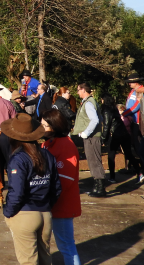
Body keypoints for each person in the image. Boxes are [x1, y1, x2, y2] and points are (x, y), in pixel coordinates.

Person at [0, 113, 61, 265]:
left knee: (29, 261)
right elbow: (56, 188)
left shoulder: (18, 159)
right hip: (45, 214)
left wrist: (8, 213)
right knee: (45, 258)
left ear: (13, 137)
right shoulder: (47, 155)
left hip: (25, 215)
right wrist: (46, 205)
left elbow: (17, 192)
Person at [40, 110, 81, 265]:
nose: (41, 128)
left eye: (44, 125)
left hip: (61, 205)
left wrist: (47, 198)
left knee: (66, 246)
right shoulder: (48, 143)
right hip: (52, 204)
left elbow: (65, 180)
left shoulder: (66, 146)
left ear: (54, 127)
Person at [71, 82, 105, 198]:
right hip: (91, 137)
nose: (77, 92)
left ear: (84, 90)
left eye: (78, 90)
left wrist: (86, 132)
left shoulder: (88, 103)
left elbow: (95, 120)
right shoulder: (90, 102)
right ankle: (97, 187)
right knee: (92, 161)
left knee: (94, 161)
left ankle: (101, 189)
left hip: (92, 137)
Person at [101, 95, 139, 182]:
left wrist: (103, 138)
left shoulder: (106, 110)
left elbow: (107, 125)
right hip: (123, 133)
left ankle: (112, 177)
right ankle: (140, 172)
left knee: (111, 155)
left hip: (114, 134)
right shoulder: (114, 109)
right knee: (128, 154)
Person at [125, 71, 144, 184]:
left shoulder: (140, 91)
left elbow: (137, 106)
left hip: (139, 123)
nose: (129, 84)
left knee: (140, 148)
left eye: (131, 82)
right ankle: (141, 171)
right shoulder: (133, 91)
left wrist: (125, 113)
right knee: (135, 147)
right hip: (133, 122)